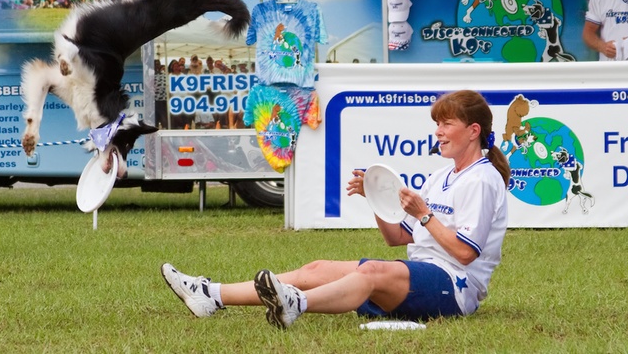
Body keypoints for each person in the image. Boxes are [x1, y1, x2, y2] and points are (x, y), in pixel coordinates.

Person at [161, 90, 510, 329]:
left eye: (446, 124)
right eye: (437, 124)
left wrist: (423, 214)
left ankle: (297, 304)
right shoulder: (442, 176)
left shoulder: (483, 180)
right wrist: (375, 198)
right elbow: (396, 238)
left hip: (457, 287)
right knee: (317, 267)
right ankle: (211, 295)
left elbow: (465, 253)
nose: (438, 132)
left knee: (371, 271)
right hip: (422, 272)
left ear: (473, 131)